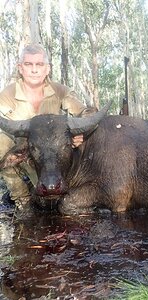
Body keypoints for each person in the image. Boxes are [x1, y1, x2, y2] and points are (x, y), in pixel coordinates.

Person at [0, 43, 92, 208]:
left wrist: (80, 135)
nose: (34, 70)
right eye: (28, 64)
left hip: (55, 159)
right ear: (20, 68)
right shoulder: (7, 95)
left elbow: (87, 112)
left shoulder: (60, 91)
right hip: (27, 156)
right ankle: (22, 201)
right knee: (1, 143)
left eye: (39, 64)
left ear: (47, 69)